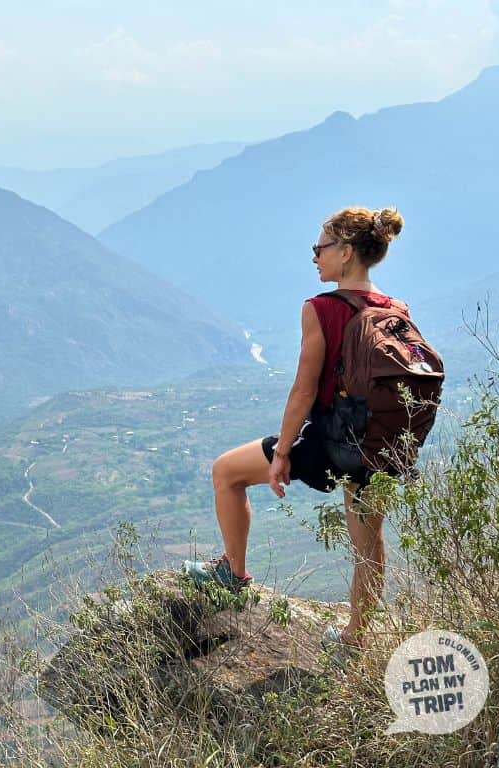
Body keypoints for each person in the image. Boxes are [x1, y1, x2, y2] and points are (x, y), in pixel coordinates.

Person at [183, 206, 407, 663]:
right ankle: (355, 637)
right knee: (369, 541)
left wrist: (283, 452)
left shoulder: (321, 309)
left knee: (226, 472)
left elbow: (304, 389)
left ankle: (233, 573)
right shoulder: (395, 308)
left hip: (330, 437)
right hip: (379, 440)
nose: (314, 258)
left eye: (319, 248)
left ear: (345, 252)